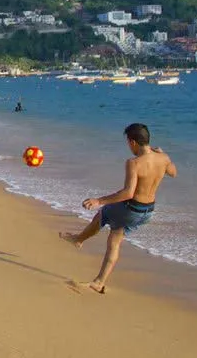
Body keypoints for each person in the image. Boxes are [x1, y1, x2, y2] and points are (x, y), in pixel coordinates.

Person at [59, 122, 177, 293]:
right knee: (115, 239)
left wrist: (99, 200)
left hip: (131, 208)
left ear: (132, 142)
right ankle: (99, 281)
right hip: (147, 212)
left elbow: (128, 193)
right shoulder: (163, 158)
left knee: (104, 212)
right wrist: (164, 155)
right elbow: (173, 173)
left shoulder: (134, 163)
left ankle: (79, 240)